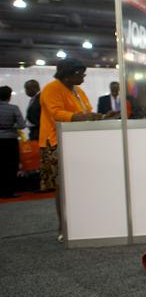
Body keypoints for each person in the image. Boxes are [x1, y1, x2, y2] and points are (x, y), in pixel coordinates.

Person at [40, 59, 106, 241]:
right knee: (63, 187)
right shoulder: (52, 89)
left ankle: (80, 223)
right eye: (80, 73)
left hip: (77, 142)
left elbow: (88, 111)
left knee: (78, 186)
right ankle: (64, 227)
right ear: (68, 74)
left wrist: (99, 116)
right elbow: (56, 113)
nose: (83, 76)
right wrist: (82, 117)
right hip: (55, 142)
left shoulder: (78, 91)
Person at [0, 86, 25, 198]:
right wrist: (11, 126)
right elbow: (22, 125)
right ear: (9, 96)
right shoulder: (14, 108)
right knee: (11, 165)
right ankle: (9, 191)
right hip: (10, 140)